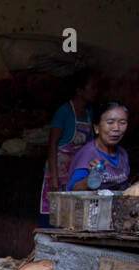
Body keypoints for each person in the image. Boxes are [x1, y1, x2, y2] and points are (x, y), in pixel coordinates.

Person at [39, 70, 99, 225]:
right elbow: (52, 144)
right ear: (80, 91)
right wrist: (54, 178)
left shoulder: (89, 112)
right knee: (54, 215)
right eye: (92, 87)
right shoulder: (63, 112)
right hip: (58, 171)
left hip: (76, 170)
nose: (96, 91)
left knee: (73, 216)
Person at [67, 102, 130, 191]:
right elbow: (73, 189)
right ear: (96, 128)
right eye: (110, 122)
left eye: (122, 123)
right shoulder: (88, 154)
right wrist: (92, 178)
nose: (116, 128)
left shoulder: (123, 154)